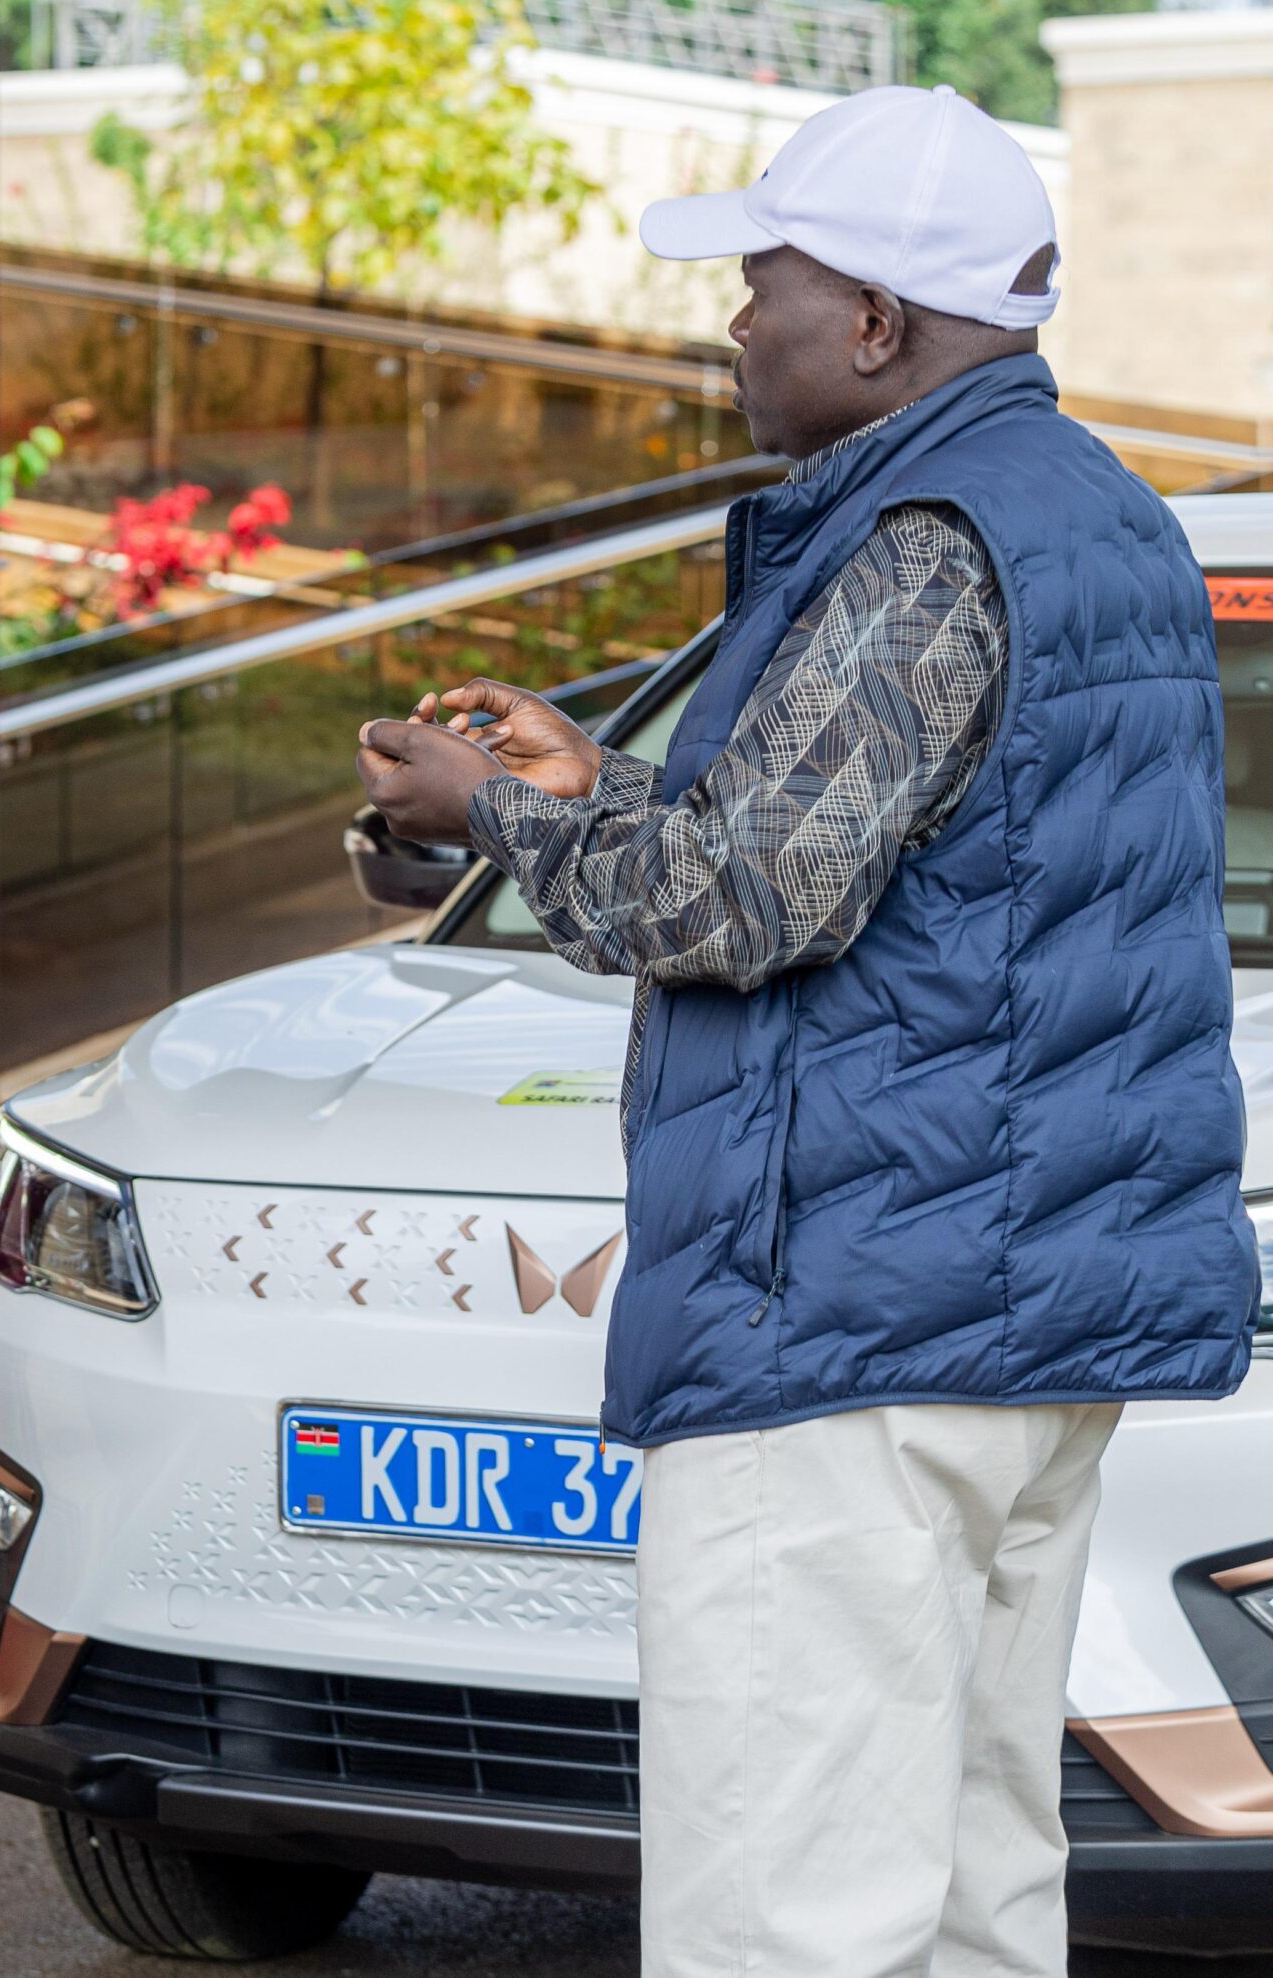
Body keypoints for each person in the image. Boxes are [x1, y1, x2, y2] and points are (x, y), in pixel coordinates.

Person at [353, 85, 1256, 1977]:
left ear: (873, 325)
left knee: (786, 1913)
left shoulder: (923, 537)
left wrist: (491, 819)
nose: (731, 325)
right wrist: (604, 778)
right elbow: (924, 860)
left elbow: (751, 900)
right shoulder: (1101, 515)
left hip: (849, 1316)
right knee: (969, 1881)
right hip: (1004, 1315)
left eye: (762, 283)